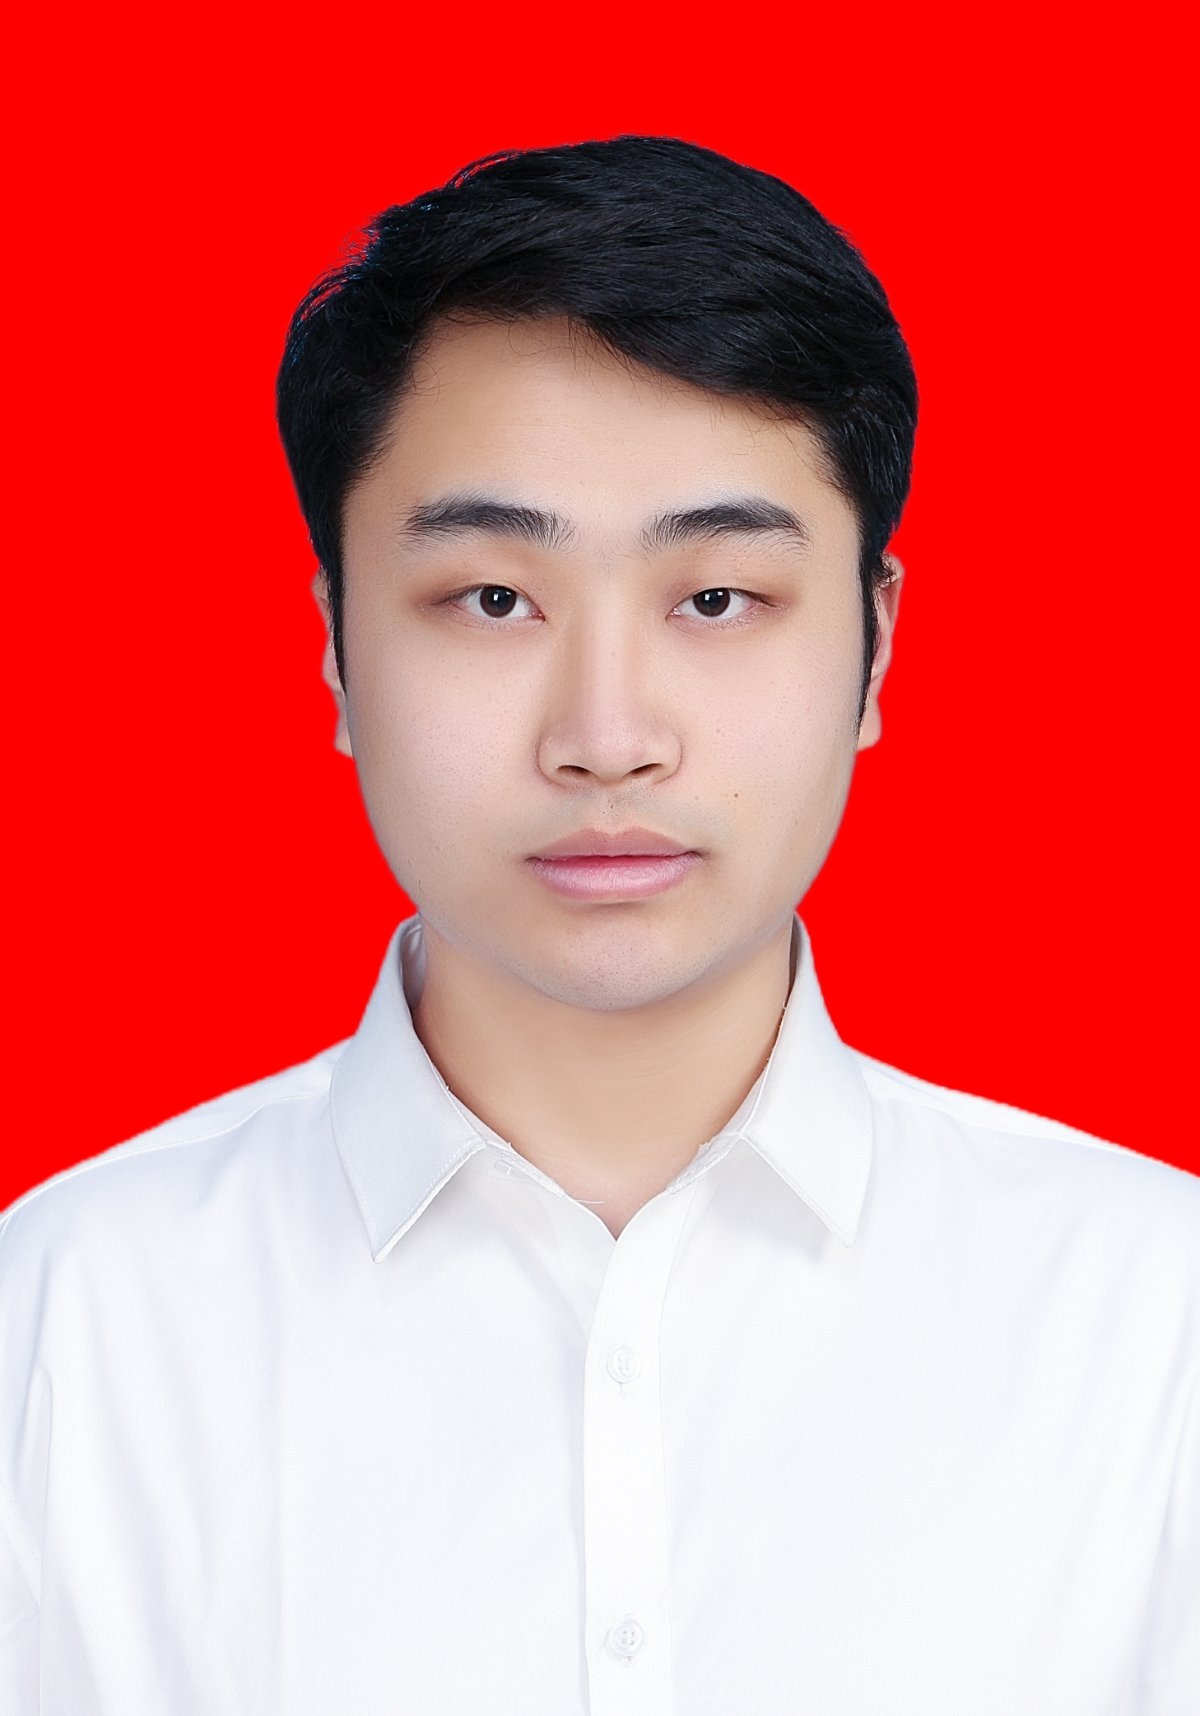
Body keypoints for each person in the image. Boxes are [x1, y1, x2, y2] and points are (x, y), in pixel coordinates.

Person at [1, 136, 1196, 1713]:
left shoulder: (1154, 1327)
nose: (608, 737)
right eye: (495, 600)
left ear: (878, 643)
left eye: (717, 599)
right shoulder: (63, 1325)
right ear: (338, 644)